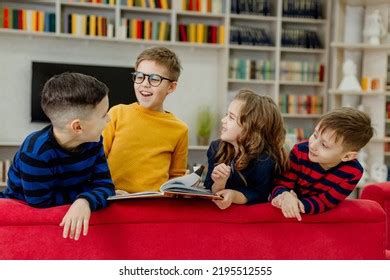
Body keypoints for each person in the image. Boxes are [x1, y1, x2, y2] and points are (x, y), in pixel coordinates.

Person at [0, 72, 115, 240]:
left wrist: (84, 202)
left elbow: (106, 187)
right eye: (104, 115)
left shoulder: (94, 142)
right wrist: (84, 195)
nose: (109, 119)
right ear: (77, 127)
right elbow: (40, 202)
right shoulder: (35, 152)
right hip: (20, 212)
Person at [103, 46, 188, 193]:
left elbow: (175, 179)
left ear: (171, 87)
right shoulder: (117, 113)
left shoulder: (180, 129)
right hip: (112, 198)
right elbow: (97, 158)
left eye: (154, 79)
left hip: (152, 205)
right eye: (140, 76)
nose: (145, 83)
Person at [270, 107, 374, 221]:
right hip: (282, 205)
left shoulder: (353, 172)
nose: (313, 145)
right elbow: (280, 185)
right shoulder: (299, 152)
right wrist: (285, 196)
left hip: (306, 213)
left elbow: (326, 202)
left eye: (324, 145)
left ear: (347, 156)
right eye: (315, 135)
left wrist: (298, 204)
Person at [204, 89, 289, 210]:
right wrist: (219, 183)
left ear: (251, 129)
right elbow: (208, 187)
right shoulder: (216, 148)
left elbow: (260, 195)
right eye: (226, 115)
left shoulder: (264, 160)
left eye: (231, 117)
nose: (223, 120)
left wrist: (233, 196)